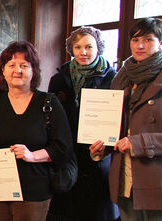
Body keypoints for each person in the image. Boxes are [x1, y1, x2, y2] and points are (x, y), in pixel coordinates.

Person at [0, 41, 72, 221]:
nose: (17, 70)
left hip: (34, 192)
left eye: (24, 65)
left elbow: (63, 148)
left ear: (33, 71)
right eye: (11, 65)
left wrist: (32, 155)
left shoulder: (48, 103)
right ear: (2, 70)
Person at [90, 17, 162, 221]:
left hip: (155, 181)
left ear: (160, 43)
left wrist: (137, 142)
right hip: (124, 179)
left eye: (148, 39)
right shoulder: (122, 77)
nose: (139, 45)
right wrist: (103, 147)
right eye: (135, 39)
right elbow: (116, 127)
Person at [47, 26, 118, 221]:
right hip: (68, 152)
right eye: (77, 47)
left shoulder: (113, 78)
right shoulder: (59, 78)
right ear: (71, 49)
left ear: (98, 48)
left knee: (97, 210)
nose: (83, 52)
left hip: (99, 154)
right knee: (68, 210)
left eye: (89, 46)